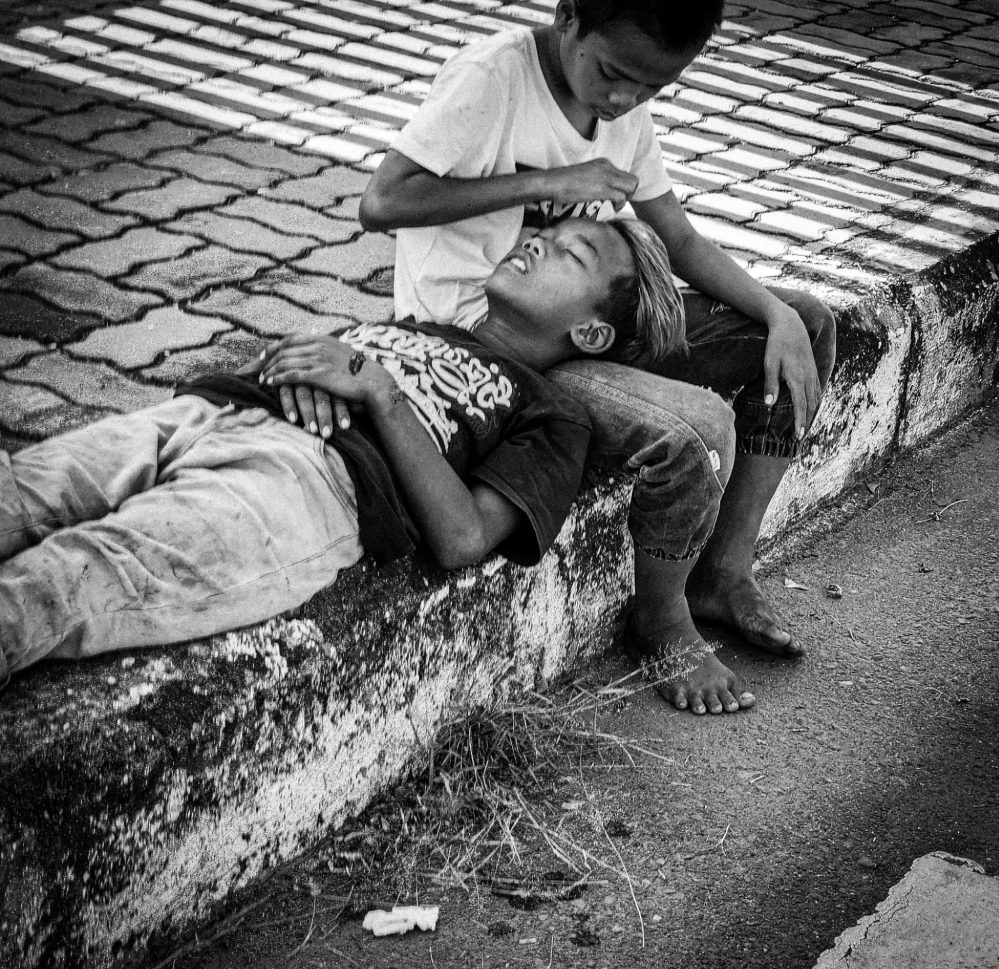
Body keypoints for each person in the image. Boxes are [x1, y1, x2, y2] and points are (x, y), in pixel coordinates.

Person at [352, 0, 837, 716]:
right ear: (569, 17)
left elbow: (679, 240)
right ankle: (661, 620)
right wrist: (547, 184)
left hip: (579, 324)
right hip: (495, 344)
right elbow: (383, 201)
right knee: (696, 431)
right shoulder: (495, 78)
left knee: (808, 325)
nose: (624, 99)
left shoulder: (620, 107)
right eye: (613, 74)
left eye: (651, 87)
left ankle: (724, 572)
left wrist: (775, 313)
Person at [0, 218, 682, 685]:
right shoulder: (425, 326)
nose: (537, 242)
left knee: (64, 579)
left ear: (591, 334)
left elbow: (462, 537)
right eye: (546, 232)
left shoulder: (551, 414)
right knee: (25, 487)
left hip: (307, 485)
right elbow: (331, 366)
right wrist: (304, 368)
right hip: (212, 411)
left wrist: (378, 392)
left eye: (570, 254)